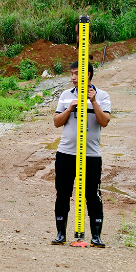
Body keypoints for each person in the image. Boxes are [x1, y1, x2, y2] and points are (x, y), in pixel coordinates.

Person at [52, 61, 111, 247]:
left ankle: (96, 236)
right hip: (66, 153)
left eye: (77, 73)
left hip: (91, 155)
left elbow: (104, 122)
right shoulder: (65, 96)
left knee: (93, 194)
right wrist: (69, 108)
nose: (73, 77)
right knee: (62, 193)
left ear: (89, 75)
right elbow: (56, 122)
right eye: (72, 74)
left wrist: (93, 101)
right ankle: (61, 234)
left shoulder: (102, 96)